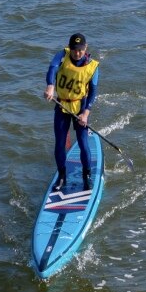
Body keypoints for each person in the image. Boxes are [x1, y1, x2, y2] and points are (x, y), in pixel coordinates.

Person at [43, 32, 100, 192]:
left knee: (83, 143)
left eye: (80, 49)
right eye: (74, 49)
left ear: (85, 48)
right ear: (70, 48)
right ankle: (62, 176)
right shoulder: (62, 56)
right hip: (61, 106)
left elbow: (93, 92)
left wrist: (86, 113)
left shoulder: (93, 67)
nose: (77, 53)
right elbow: (52, 69)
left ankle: (86, 176)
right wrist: (50, 85)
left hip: (79, 108)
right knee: (60, 144)